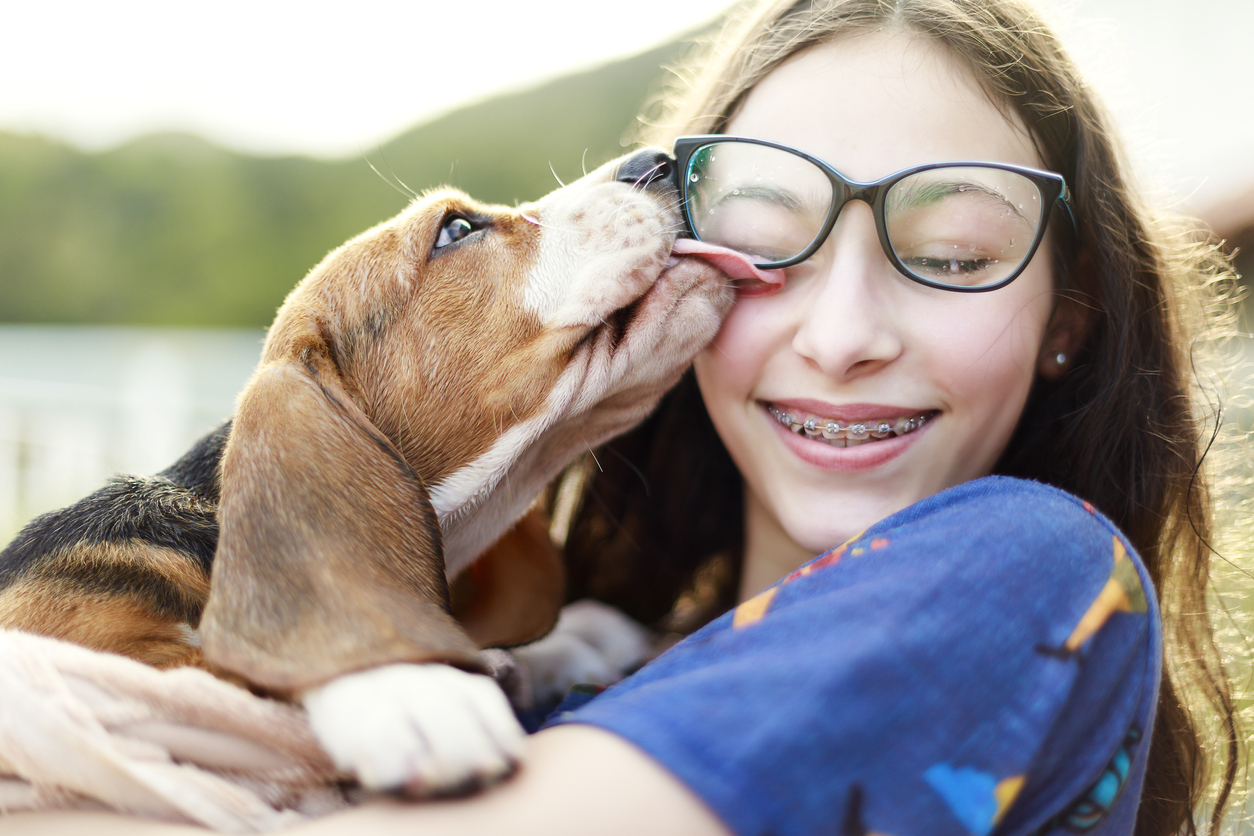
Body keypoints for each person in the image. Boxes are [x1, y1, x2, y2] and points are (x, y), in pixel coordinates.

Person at [6, 0, 1246, 834]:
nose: (845, 331)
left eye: (957, 252)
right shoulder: (571, 652)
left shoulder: (1032, 566)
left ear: (1069, 314)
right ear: (690, 276)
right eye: (770, 236)